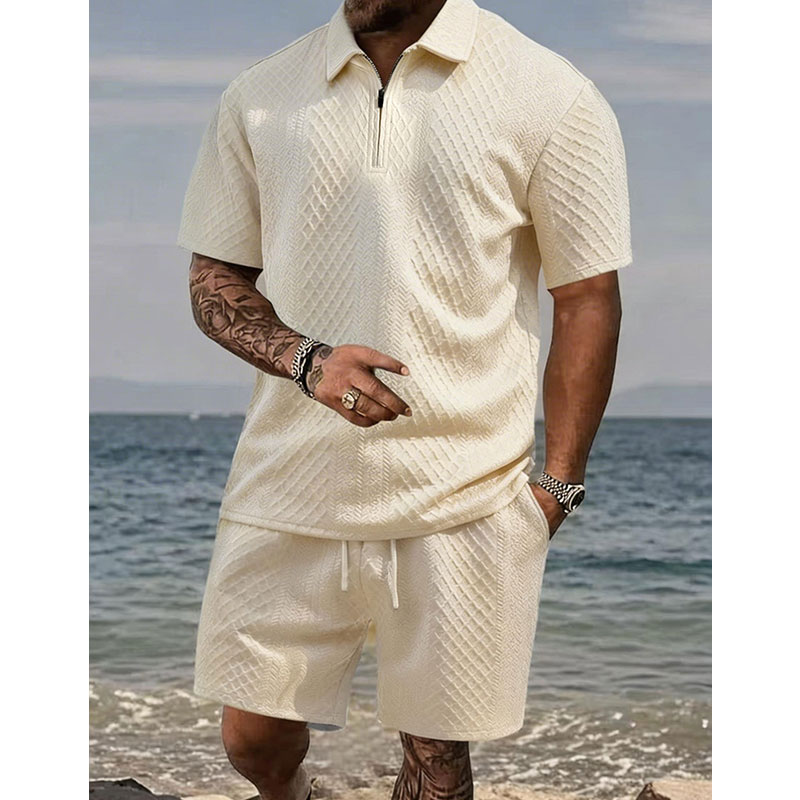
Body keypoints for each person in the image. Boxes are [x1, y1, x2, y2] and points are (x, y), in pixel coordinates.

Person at [176, 0, 632, 798]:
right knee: (253, 741)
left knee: (436, 763)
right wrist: (307, 361)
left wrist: (558, 484)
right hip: (287, 479)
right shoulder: (259, 94)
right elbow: (214, 279)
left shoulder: (551, 93)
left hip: (463, 489)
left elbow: (586, 295)